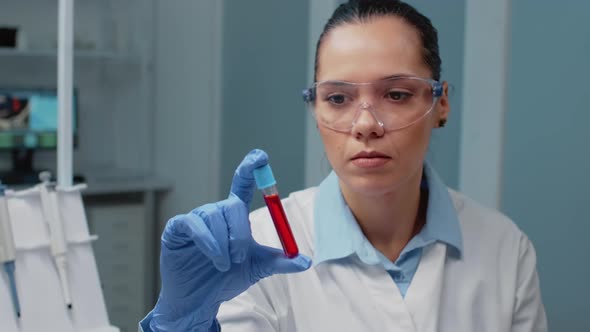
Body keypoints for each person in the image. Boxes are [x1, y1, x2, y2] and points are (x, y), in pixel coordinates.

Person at [140, 0, 548, 331]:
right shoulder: (259, 248)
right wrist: (181, 325)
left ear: (440, 104)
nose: (366, 124)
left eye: (397, 93)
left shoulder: (504, 249)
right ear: (316, 109)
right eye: (338, 99)